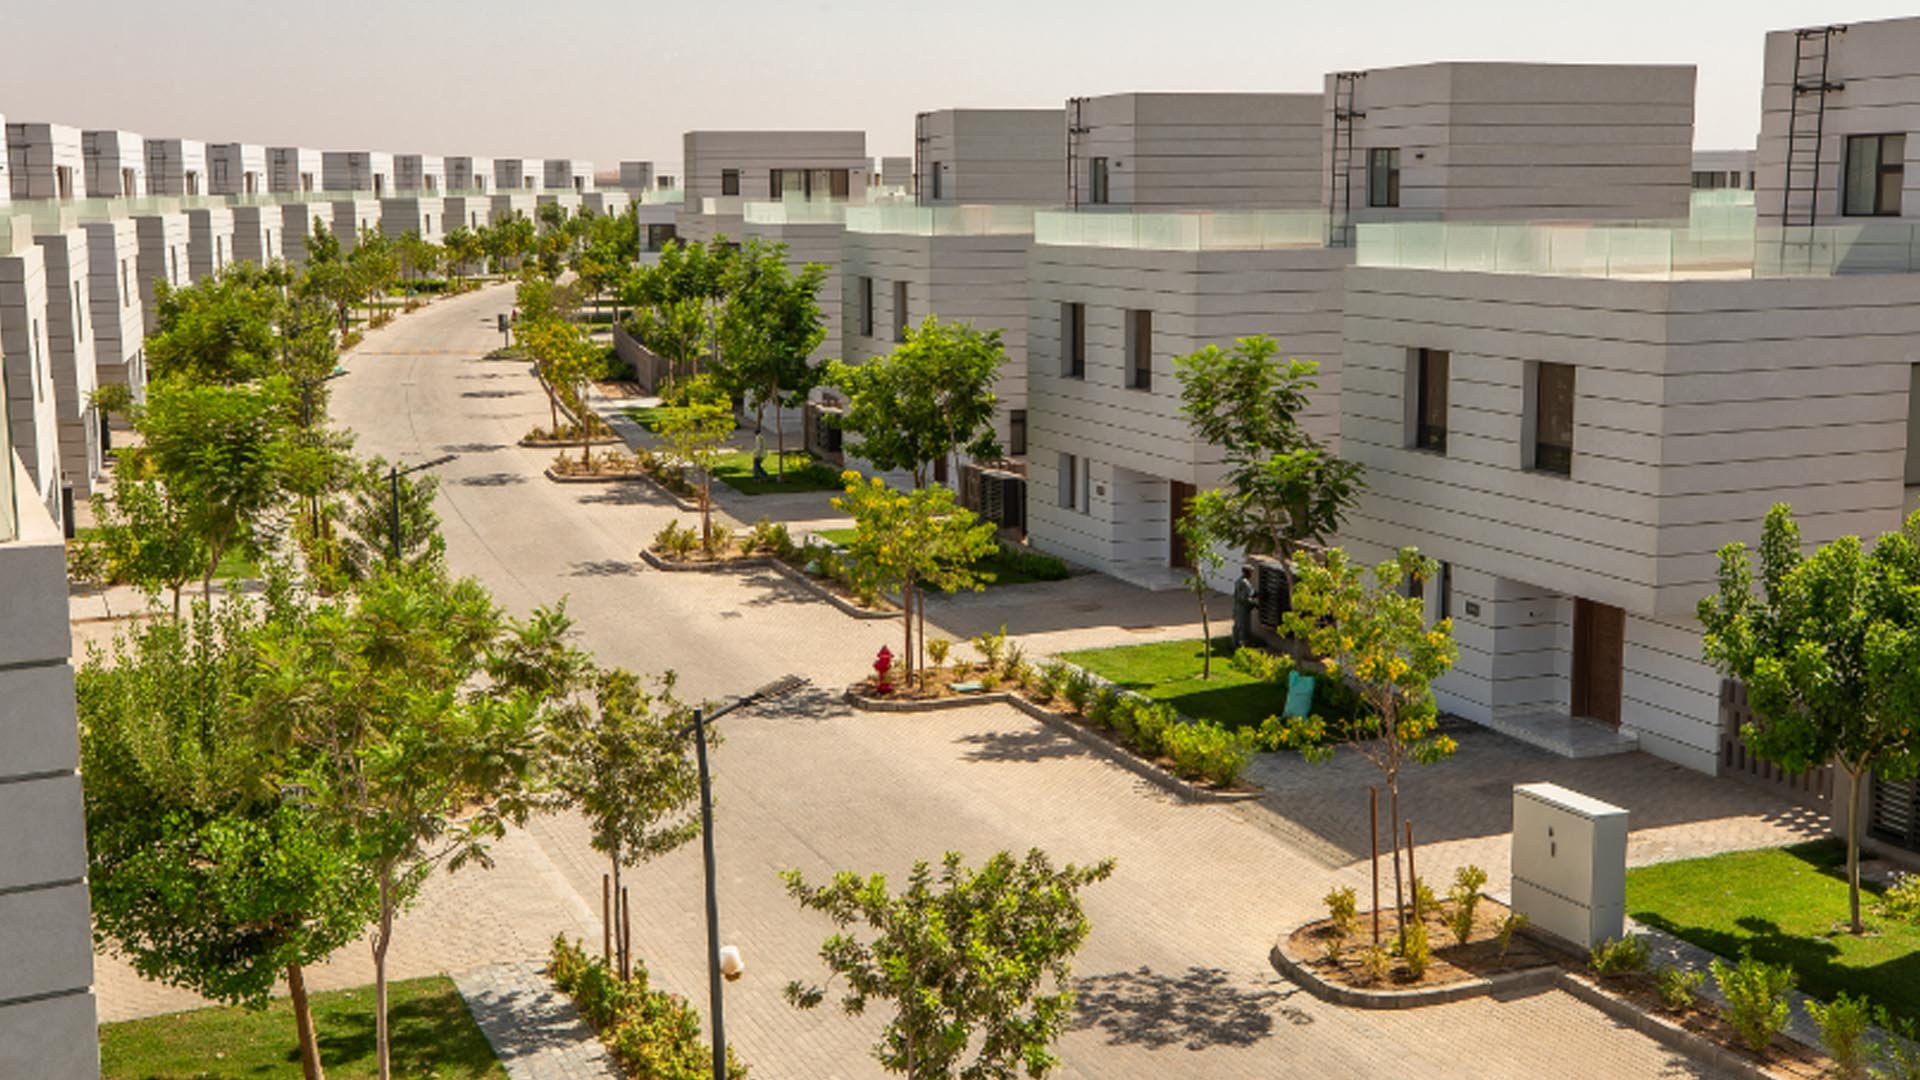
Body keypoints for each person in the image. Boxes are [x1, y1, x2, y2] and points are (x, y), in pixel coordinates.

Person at [1232, 566, 1256, 649]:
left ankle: (1236, 643)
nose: (1252, 574)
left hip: (1237, 607)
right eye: (1251, 572)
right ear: (1248, 572)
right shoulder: (1245, 583)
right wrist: (1254, 604)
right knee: (1243, 626)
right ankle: (1242, 644)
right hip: (1243, 608)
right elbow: (1245, 598)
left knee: (1237, 625)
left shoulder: (1239, 581)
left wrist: (1255, 594)